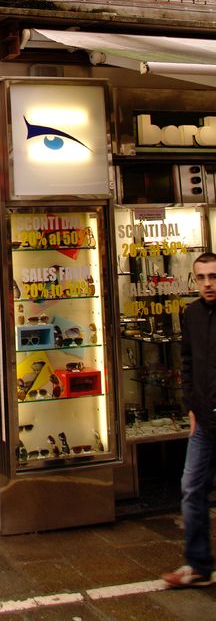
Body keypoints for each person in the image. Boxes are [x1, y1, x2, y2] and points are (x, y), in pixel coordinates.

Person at [161, 252, 216, 588]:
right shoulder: (192, 313)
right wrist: (191, 405)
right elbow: (187, 361)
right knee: (191, 488)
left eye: (213, 276)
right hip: (205, 420)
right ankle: (197, 565)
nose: (208, 284)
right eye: (202, 277)